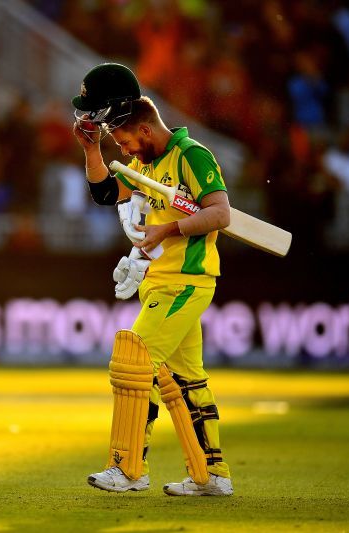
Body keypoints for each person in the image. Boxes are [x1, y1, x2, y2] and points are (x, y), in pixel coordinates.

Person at [71, 63, 233, 496]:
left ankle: (128, 469)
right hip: (159, 281)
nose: (123, 150)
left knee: (134, 359)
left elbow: (220, 213)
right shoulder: (143, 165)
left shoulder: (190, 156)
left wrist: (170, 229)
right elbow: (106, 192)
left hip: (186, 280)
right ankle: (211, 476)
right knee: (183, 380)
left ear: (143, 131)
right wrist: (92, 153)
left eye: (123, 141)